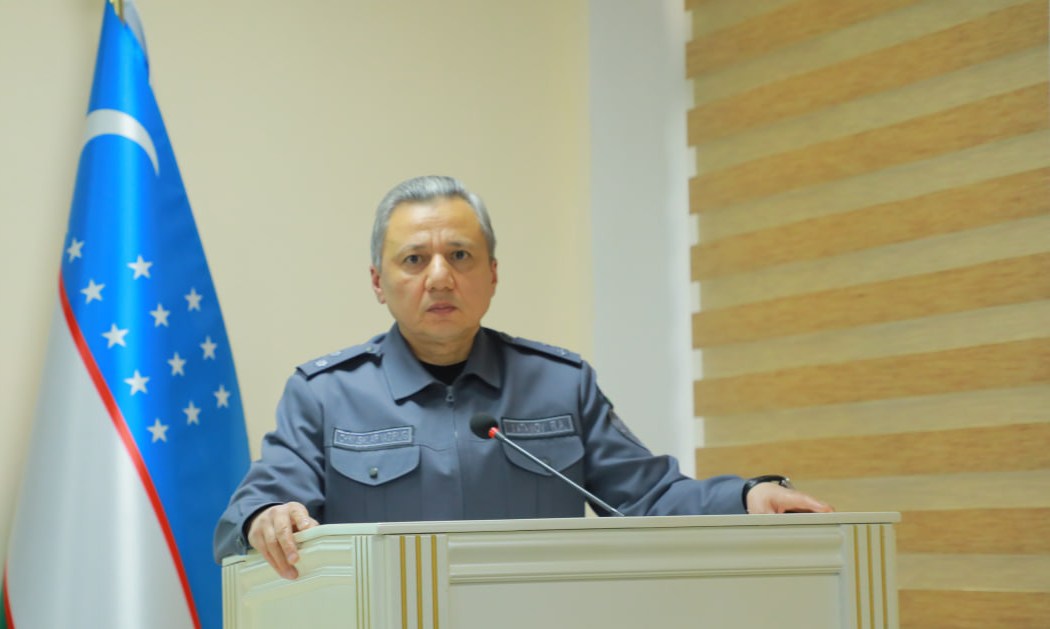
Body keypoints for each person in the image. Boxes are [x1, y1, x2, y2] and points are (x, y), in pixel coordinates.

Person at [214, 176, 831, 578]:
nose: (439, 277)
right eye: (414, 259)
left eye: (460, 256)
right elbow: (255, 507)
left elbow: (646, 498)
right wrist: (265, 516)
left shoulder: (560, 384)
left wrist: (746, 498)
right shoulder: (325, 395)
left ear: (492, 273)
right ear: (379, 282)